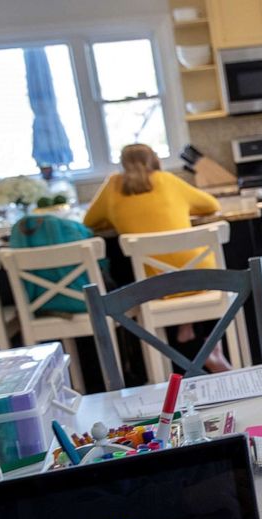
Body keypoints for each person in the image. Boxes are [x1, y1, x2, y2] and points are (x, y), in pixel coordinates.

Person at [83, 143, 230, 373]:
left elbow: (89, 222)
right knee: (181, 265)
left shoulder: (113, 186)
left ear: (123, 163)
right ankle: (204, 343)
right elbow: (211, 205)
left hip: (154, 286)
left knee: (157, 272)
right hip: (201, 277)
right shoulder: (167, 180)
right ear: (154, 160)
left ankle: (174, 353)